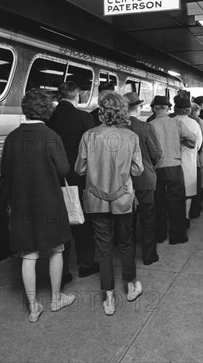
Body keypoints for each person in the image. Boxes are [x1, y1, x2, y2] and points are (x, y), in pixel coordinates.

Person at [0, 89, 75, 323]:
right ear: (47, 110)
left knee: (29, 255)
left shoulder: (12, 137)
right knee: (56, 250)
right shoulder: (51, 136)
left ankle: (33, 307)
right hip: (50, 202)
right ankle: (56, 299)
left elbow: (5, 172)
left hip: (22, 203)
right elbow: (64, 170)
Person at [75, 92, 144, 316]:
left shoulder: (88, 136)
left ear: (102, 111)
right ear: (123, 111)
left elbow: (79, 169)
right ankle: (132, 285)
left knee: (103, 249)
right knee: (126, 243)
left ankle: (109, 297)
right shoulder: (131, 136)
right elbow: (138, 170)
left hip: (96, 199)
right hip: (123, 197)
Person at [47, 81, 99, 285]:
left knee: (61, 222)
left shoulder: (49, 118)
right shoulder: (83, 117)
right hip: (78, 176)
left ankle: (62, 271)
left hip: (54, 178)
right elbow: (93, 149)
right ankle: (86, 264)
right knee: (81, 221)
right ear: (76, 95)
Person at [150, 95, 197, 245]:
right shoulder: (176, 123)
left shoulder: (149, 124)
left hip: (156, 168)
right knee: (177, 202)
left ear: (153, 109)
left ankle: (160, 235)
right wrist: (181, 141)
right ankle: (177, 236)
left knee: (158, 202)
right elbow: (193, 139)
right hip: (174, 167)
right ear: (168, 108)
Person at [124, 92, 162, 265]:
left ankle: (127, 256)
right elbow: (156, 153)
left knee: (126, 220)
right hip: (145, 178)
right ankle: (149, 255)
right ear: (137, 108)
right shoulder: (146, 127)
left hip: (123, 180)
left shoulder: (117, 128)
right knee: (148, 217)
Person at [173, 96, 203, 228]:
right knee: (188, 191)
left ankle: (174, 217)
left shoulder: (170, 121)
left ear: (175, 108)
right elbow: (198, 144)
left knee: (174, 191)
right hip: (189, 161)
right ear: (188, 110)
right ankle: (185, 217)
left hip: (172, 162)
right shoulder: (194, 124)